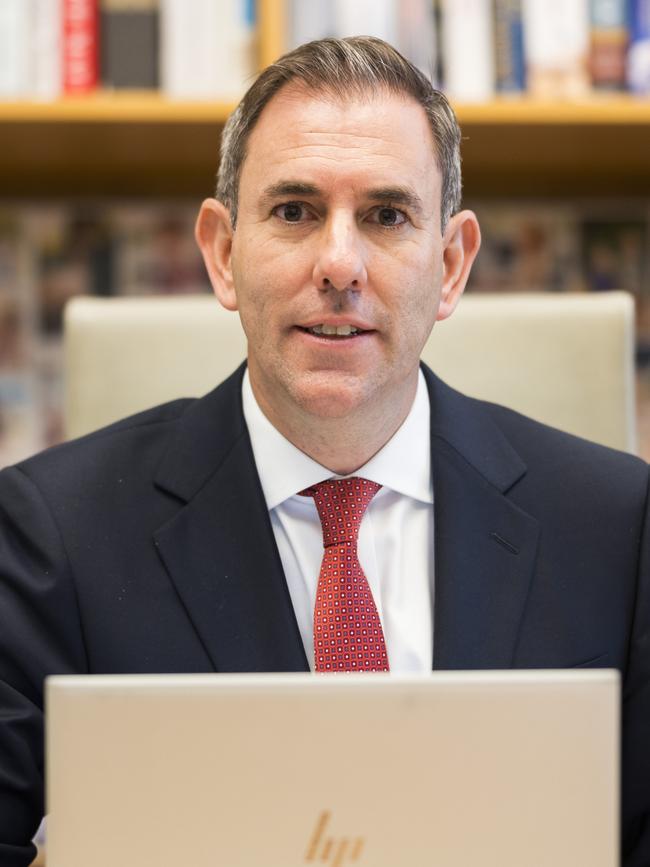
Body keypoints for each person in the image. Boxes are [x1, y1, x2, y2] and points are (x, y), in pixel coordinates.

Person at [0, 37, 648, 867]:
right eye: (296, 211)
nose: (339, 264)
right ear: (220, 253)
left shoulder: (619, 526)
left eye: (385, 215)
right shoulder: (49, 535)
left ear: (450, 265)